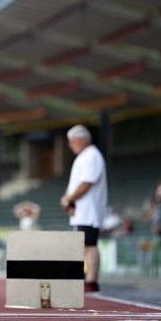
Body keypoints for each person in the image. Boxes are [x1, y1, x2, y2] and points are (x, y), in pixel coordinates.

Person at [59, 125, 107, 293]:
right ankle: (86, 277)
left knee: (89, 245)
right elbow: (75, 184)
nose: (70, 145)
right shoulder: (83, 157)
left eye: (72, 142)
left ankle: (92, 280)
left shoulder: (92, 156)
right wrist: (68, 201)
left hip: (89, 211)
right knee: (83, 245)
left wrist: (68, 199)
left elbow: (86, 183)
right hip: (82, 210)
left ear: (81, 140)